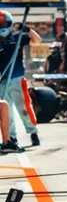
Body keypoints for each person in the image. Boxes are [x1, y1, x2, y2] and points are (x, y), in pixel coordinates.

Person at [0, 10, 42, 146]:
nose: (2, 26)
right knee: (7, 111)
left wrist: (28, 30)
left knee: (24, 108)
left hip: (17, 78)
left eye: (4, 23)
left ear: (10, 23)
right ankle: (11, 137)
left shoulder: (17, 37)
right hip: (2, 80)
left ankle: (33, 132)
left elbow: (38, 41)